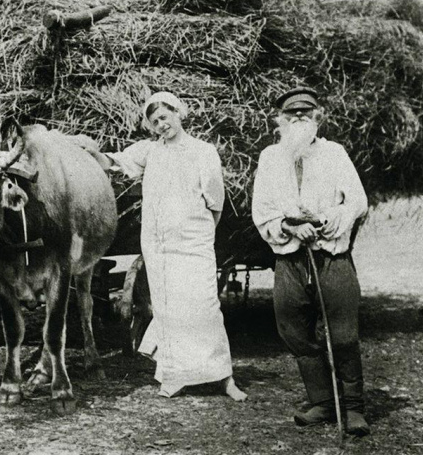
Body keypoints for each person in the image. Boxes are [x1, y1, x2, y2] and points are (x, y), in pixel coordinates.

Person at [82, 91, 247, 401]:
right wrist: (87, 150)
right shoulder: (149, 152)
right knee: (168, 309)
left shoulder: (203, 151)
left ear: (178, 113)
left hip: (194, 242)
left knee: (205, 308)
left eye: (165, 116)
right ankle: (174, 377)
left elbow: (216, 200)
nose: (161, 124)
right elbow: (113, 161)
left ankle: (225, 379)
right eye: (154, 121)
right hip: (159, 246)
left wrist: (200, 232)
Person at [251, 86, 370, 436]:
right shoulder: (270, 157)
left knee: (343, 334)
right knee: (294, 330)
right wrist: (289, 226)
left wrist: (330, 219)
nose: (299, 118)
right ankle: (322, 402)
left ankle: (353, 408)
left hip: (332, 255)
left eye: (306, 112)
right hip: (290, 259)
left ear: (318, 117)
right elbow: (261, 211)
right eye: (292, 114)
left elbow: (357, 202)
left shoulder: (335, 153)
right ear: (280, 121)